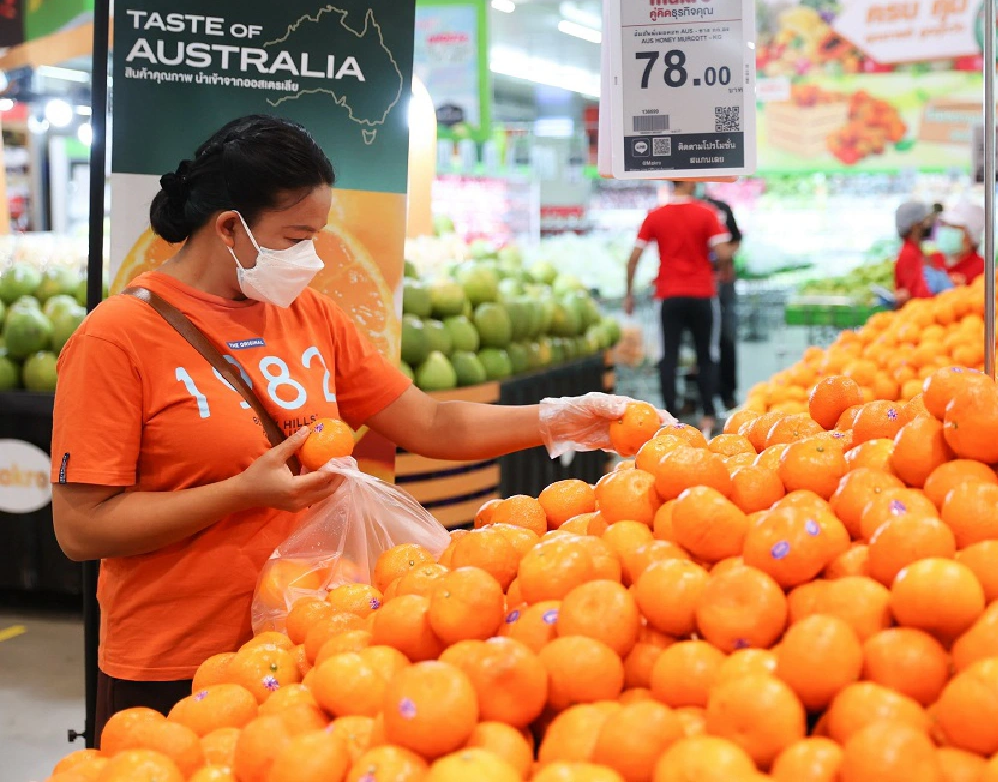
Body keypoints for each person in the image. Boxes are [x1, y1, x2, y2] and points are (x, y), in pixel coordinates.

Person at [51, 115, 643, 733]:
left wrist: (559, 419)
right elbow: (81, 528)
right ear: (229, 227)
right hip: (179, 661)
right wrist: (240, 494)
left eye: (318, 237)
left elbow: (433, 421)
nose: (310, 258)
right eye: (296, 236)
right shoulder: (116, 339)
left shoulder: (310, 316)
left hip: (312, 645)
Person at [625, 180, 732, 434]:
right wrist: (723, 269)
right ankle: (707, 414)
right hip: (702, 293)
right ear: (690, 182)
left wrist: (628, 292)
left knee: (668, 356)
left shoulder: (655, 215)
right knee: (707, 355)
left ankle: (670, 416)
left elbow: (634, 257)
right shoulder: (707, 213)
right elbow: (724, 253)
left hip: (668, 295)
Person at [699, 187, 742, 412]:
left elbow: (735, 241)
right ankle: (699, 396)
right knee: (698, 343)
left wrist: (722, 256)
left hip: (722, 284)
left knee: (726, 336)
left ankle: (728, 393)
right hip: (698, 285)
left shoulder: (721, 209)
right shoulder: (689, 210)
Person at [892, 200, 950, 305]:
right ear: (915, 225)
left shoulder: (919, 252)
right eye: (926, 220)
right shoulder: (908, 254)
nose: (930, 224)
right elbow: (918, 295)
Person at [938, 200, 987, 285]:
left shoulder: (983, 269)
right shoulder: (932, 261)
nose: (947, 231)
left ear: (971, 237)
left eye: (954, 227)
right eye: (945, 225)